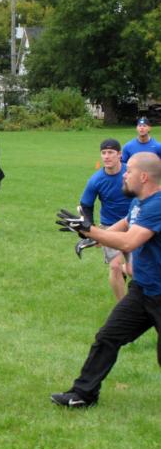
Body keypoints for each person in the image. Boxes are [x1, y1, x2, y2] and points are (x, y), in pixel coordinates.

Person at [53, 152, 161, 408]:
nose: (124, 174)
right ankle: (83, 394)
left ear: (143, 177)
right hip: (143, 291)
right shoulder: (139, 201)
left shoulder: (157, 205)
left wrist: (90, 230)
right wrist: (91, 237)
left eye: (129, 171)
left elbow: (129, 242)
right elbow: (125, 224)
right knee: (107, 337)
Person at [75, 139, 132, 300]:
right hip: (110, 228)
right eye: (103, 153)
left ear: (119, 154)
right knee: (115, 267)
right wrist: (89, 230)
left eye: (111, 152)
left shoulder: (130, 172)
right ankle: (122, 306)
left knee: (136, 269)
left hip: (134, 225)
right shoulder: (96, 180)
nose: (106, 156)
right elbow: (86, 205)